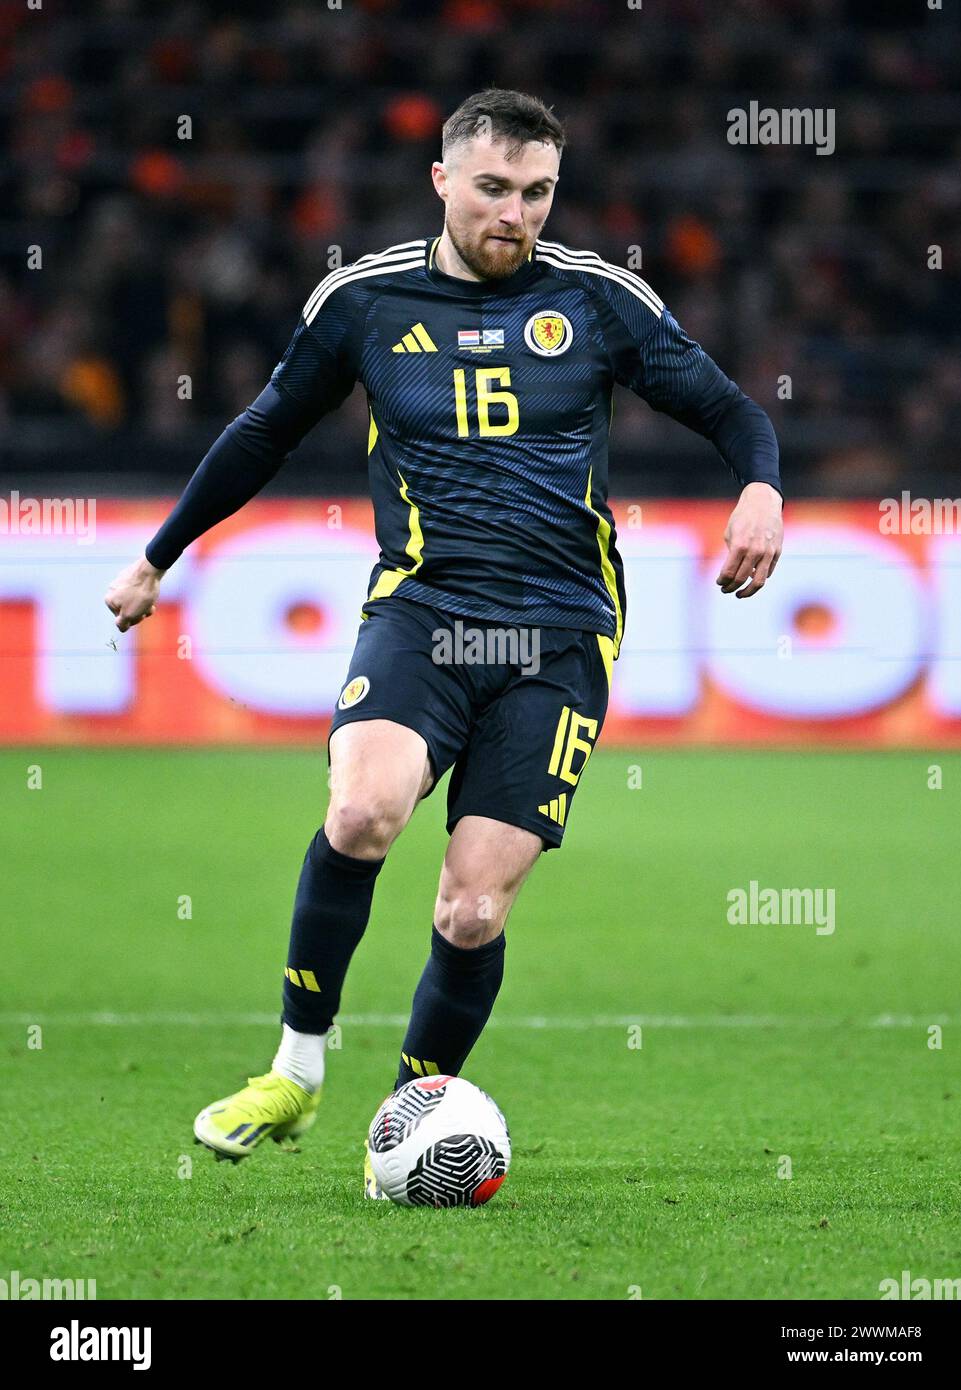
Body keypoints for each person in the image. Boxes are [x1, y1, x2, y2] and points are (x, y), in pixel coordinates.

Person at [104, 88, 783, 1195]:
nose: (516, 213)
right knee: (364, 809)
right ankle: (294, 1066)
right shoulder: (364, 302)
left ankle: (406, 1113)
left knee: (471, 906)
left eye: (538, 192)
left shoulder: (597, 301)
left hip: (560, 635)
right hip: (424, 609)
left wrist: (760, 487)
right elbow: (264, 429)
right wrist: (158, 557)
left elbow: (733, 411)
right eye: (495, 189)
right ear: (442, 181)